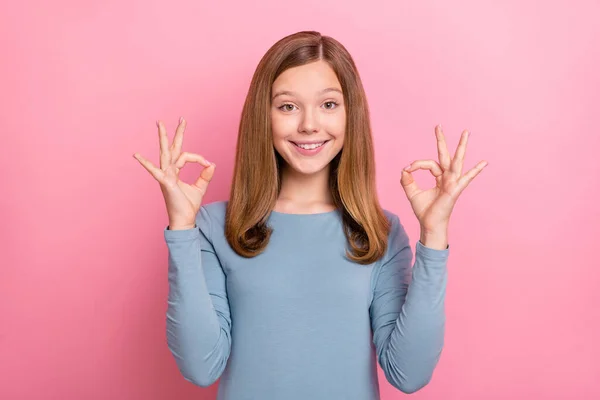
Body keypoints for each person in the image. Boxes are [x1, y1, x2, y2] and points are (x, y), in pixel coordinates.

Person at [134, 30, 488, 400]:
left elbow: (408, 373)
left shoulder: (380, 233)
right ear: (264, 117)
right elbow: (200, 367)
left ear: (351, 114)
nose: (308, 124)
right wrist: (181, 228)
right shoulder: (212, 228)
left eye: (329, 105)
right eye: (288, 106)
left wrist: (434, 234)